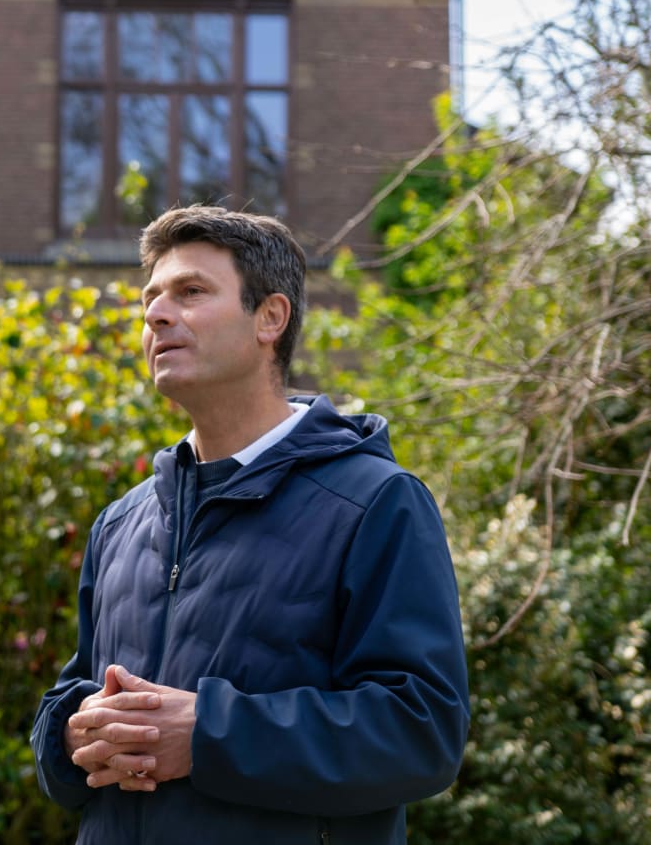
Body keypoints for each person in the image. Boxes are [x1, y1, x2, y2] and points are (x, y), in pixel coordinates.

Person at [31, 205, 469, 845]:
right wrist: (75, 732)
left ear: (271, 317)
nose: (155, 314)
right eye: (151, 297)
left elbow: (421, 728)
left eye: (191, 292)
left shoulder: (376, 503)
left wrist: (209, 734)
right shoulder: (121, 523)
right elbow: (73, 694)